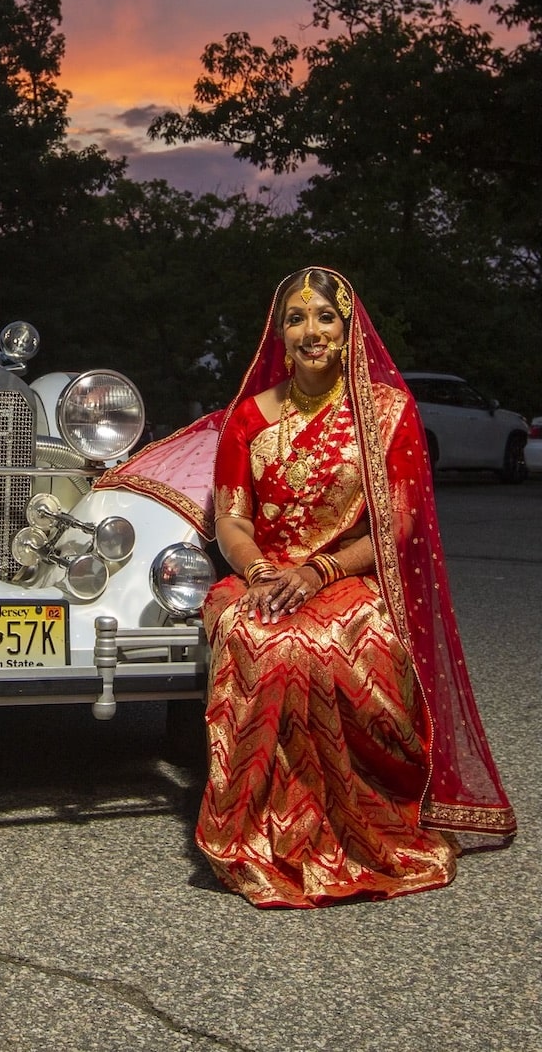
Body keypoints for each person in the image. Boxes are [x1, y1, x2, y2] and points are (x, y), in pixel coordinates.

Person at [193, 265, 515, 906]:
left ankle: (365, 821)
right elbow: (231, 518)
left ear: (348, 329)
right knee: (260, 639)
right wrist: (260, 573)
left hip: (351, 574)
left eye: (324, 317)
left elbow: (396, 525)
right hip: (263, 573)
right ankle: (261, 835)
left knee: (344, 642)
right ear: (277, 335)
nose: (310, 331)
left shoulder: (386, 414)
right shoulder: (249, 419)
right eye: (295, 318)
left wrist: (318, 571)